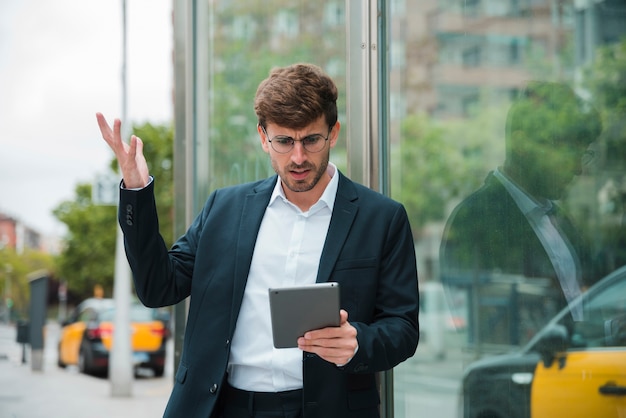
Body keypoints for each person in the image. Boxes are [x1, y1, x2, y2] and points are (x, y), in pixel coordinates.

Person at [96, 63, 419, 418]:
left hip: (328, 407)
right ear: (264, 137)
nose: (298, 157)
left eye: (311, 140)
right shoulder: (225, 208)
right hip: (223, 407)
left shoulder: (382, 218)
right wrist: (138, 191)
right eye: (283, 141)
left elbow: (402, 328)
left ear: (334, 133)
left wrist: (358, 342)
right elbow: (159, 288)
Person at [439, 81, 602, 346]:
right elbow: (486, 328)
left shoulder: (558, 219)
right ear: (523, 144)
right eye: (569, 152)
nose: (578, 169)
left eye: (584, 155)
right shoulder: (476, 219)